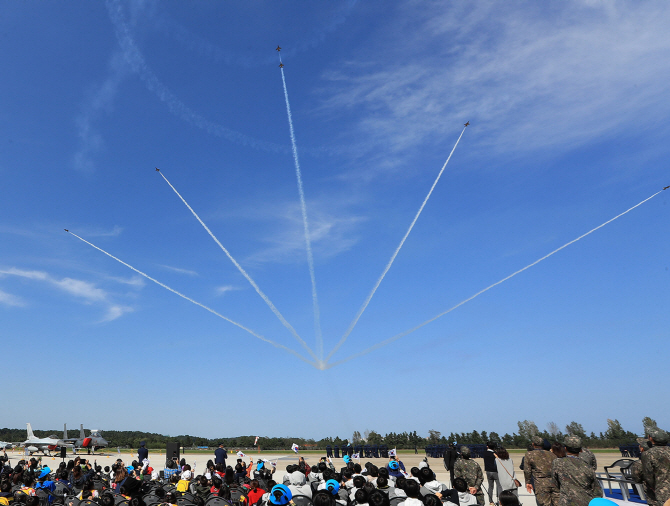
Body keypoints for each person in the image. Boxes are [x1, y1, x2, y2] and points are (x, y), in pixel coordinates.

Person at [551, 436, 602, 506]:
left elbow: (555, 482)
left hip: (566, 502)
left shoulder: (557, 463)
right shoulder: (588, 467)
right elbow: (597, 490)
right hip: (586, 502)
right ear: (581, 450)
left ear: (565, 449)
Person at [523, 435, 559, 506]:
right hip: (554, 483)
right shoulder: (552, 454)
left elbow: (527, 470)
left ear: (533, 444)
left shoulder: (529, 454)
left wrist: (528, 482)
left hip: (541, 483)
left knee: (544, 504)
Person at [640, 429, 670, 506]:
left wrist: (653, 487)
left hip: (662, 491)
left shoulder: (648, 454)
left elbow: (648, 475)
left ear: (651, 439)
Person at [483, 442, 499, 506]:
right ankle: (499, 500)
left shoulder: (485, 453)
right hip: (495, 471)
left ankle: (490, 501)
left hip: (488, 471)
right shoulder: (495, 454)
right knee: (499, 486)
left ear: (487, 446)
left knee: (490, 486)